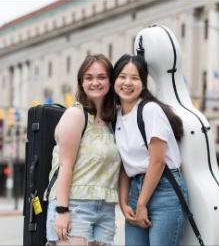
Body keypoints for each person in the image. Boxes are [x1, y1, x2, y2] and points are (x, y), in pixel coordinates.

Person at [112, 54, 188, 246]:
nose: (127, 82)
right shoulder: (116, 117)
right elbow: (125, 165)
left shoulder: (150, 110)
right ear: (114, 80)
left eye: (135, 78)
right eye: (122, 76)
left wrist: (141, 204)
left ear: (143, 84)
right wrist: (124, 203)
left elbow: (157, 161)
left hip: (165, 190)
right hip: (136, 191)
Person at [46, 54, 121, 246]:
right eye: (89, 77)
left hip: (105, 209)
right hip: (74, 205)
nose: (95, 82)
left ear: (111, 81)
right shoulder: (76, 114)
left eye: (101, 77)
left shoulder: (112, 121)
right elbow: (65, 166)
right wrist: (62, 211)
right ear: (81, 83)